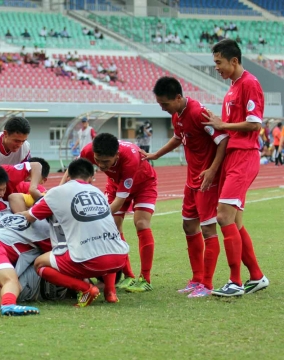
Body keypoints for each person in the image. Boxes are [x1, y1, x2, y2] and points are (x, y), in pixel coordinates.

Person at [146, 76, 229, 298]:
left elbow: (223, 140)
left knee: (208, 230)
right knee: (188, 227)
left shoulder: (198, 113)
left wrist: (212, 170)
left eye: (165, 104)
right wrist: (156, 154)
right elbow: (178, 138)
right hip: (190, 181)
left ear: (178, 97)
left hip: (205, 181)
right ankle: (197, 279)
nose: (163, 108)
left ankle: (208, 284)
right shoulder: (178, 115)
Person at [201, 39, 269, 296]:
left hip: (244, 156)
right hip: (232, 157)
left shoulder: (249, 84)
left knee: (223, 217)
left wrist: (222, 125)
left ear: (234, 61)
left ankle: (235, 282)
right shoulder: (232, 88)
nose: (216, 67)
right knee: (236, 222)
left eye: (219, 63)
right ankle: (256, 276)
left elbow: (254, 125)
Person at [22, 158, 129, 305]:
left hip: (90, 260)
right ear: (91, 178)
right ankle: (110, 293)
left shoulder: (56, 193)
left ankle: (85, 288)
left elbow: (30, 217)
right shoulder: (98, 192)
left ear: (68, 176)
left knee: (40, 264)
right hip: (119, 259)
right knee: (102, 244)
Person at [65, 133, 158, 292]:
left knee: (141, 223)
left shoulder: (130, 159)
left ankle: (145, 278)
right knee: (113, 226)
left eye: (106, 162)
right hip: (115, 184)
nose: (101, 166)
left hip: (143, 184)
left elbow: (120, 201)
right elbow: (72, 171)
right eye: (98, 161)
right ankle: (128, 276)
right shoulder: (88, 151)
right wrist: (60, 190)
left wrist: (97, 217)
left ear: (117, 155)